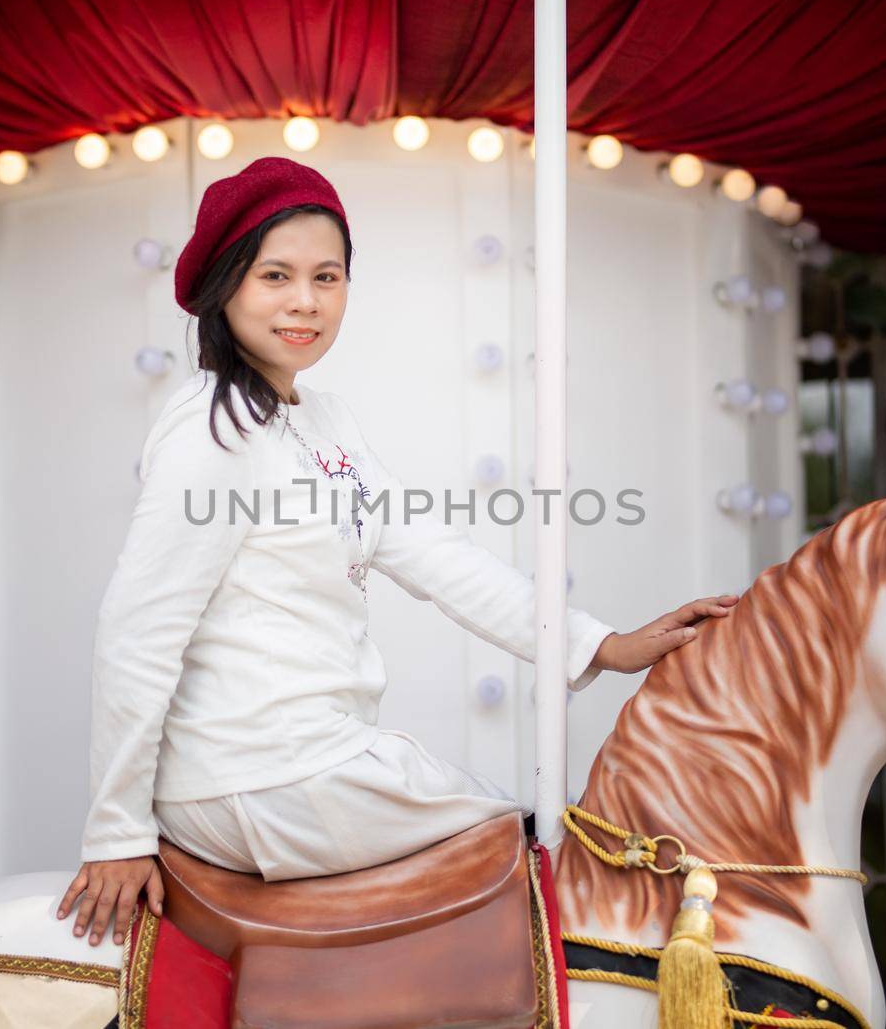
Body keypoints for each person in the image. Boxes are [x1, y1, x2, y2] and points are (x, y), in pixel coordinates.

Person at [56, 156, 737, 946]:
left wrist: (602, 644)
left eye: (328, 276)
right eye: (275, 275)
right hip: (251, 773)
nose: (305, 302)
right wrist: (115, 832)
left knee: (526, 833)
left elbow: (436, 554)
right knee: (531, 841)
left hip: (318, 758)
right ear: (224, 285)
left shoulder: (324, 421)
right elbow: (138, 631)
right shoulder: (213, 428)